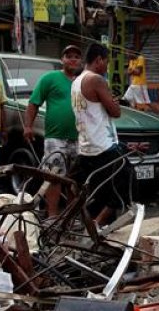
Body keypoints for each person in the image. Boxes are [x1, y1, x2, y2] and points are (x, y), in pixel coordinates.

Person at [70, 43, 134, 228]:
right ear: (98, 60)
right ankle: (95, 226)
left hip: (87, 146)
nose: (107, 66)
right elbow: (115, 112)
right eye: (106, 62)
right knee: (122, 186)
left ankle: (98, 227)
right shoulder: (96, 80)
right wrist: (113, 102)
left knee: (102, 193)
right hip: (103, 146)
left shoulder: (76, 81)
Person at [25, 45, 82, 217]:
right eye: (69, 56)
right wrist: (28, 126)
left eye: (76, 57)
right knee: (54, 178)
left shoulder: (83, 82)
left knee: (75, 180)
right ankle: (52, 217)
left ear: (81, 61)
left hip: (79, 138)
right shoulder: (50, 78)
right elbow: (34, 102)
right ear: (62, 60)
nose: (73, 59)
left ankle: (71, 218)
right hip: (55, 138)